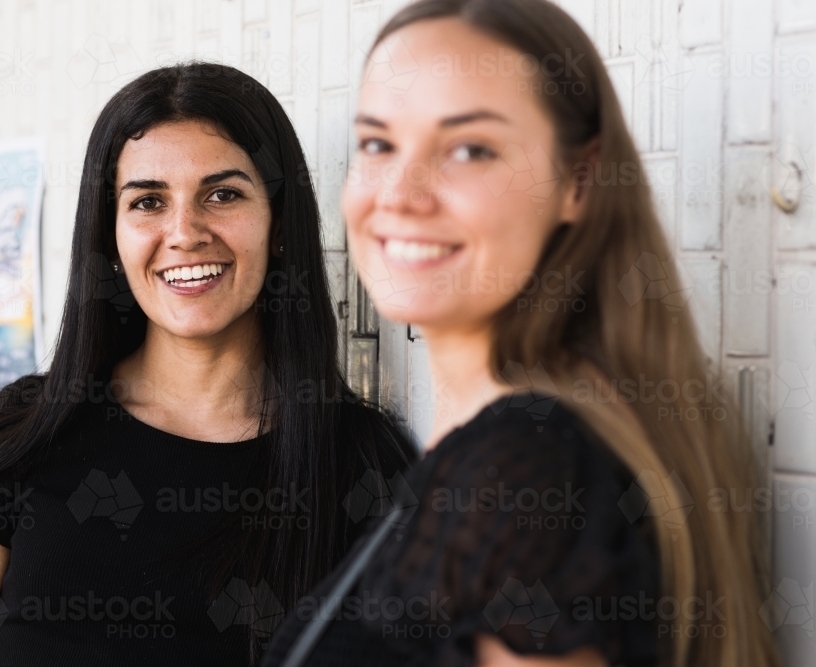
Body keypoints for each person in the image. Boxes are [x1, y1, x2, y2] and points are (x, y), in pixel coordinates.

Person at [261, 1, 777, 666]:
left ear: (580, 179)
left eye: (470, 149)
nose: (400, 192)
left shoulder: (527, 465)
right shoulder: (536, 437)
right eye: (378, 144)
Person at [0, 63, 416, 667]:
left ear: (279, 222)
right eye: (148, 201)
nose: (184, 233)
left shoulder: (365, 467)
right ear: (112, 235)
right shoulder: (25, 432)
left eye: (223, 194)